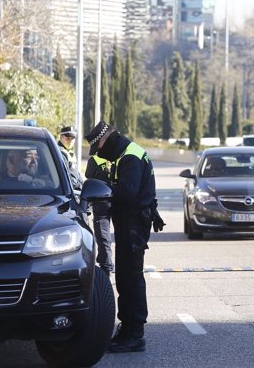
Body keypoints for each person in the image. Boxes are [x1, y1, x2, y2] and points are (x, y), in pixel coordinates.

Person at [85, 120, 161, 353]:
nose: (100, 154)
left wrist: (107, 190)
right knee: (127, 278)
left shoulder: (130, 156)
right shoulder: (123, 154)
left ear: (106, 140)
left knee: (131, 279)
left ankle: (134, 333)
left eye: (99, 149)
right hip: (129, 223)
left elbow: (128, 192)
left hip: (134, 225)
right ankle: (127, 328)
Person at [85, 153, 115, 276]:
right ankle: (108, 265)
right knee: (105, 238)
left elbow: (89, 178)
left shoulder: (94, 159)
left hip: (102, 202)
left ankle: (106, 267)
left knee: (103, 238)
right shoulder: (118, 157)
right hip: (114, 201)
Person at [57, 126, 83, 191]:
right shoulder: (60, 152)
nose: (70, 141)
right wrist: (80, 186)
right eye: (67, 138)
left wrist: (82, 184)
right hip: (69, 191)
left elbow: (76, 174)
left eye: (72, 138)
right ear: (61, 137)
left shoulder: (70, 152)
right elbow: (66, 178)